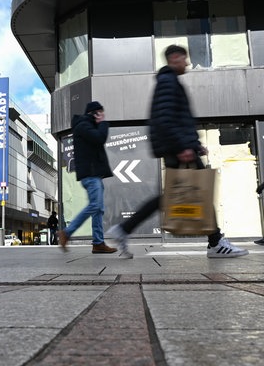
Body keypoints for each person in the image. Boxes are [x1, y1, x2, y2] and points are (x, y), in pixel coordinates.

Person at [106, 44, 248, 259]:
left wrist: (194, 143)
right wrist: (183, 146)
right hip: (179, 148)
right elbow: (165, 119)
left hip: (180, 146)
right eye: (184, 58)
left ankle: (124, 229)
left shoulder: (168, 82)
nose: (188, 63)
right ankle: (215, 242)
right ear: (174, 58)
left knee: (172, 197)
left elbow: (177, 119)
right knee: (201, 191)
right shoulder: (168, 82)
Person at [59, 101, 117, 254]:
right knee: (95, 206)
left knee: (98, 210)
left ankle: (98, 243)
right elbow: (99, 138)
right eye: (101, 113)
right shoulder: (83, 126)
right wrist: (103, 123)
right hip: (90, 175)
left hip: (94, 175)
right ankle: (67, 232)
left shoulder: (87, 126)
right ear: (95, 113)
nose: (103, 116)